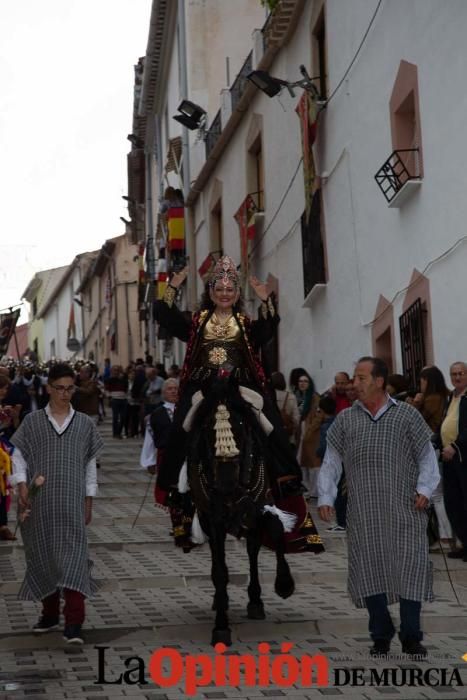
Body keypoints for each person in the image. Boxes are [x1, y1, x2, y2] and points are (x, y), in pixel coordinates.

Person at [154, 257, 322, 555]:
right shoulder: (197, 322)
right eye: (220, 287)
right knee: (183, 428)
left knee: (270, 427)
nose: (225, 292)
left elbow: (268, 328)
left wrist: (265, 299)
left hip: (240, 387)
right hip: (204, 388)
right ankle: (179, 496)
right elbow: (166, 317)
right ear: (211, 290)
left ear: (236, 294)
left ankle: (284, 483)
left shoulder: (244, 324)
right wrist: (172, 289)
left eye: (231, 288)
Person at [318, 356, 440, 658]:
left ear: (379, 381)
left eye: (361, 378)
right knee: (368, 570)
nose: (353, 384)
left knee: (410, 568)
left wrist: (425, 489)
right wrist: (325, 496)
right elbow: (331, 461)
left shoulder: (408, 416)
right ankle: (381, 633)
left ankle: (412, 636)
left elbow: (427, 457)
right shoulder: (346, 420)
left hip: (406, 509)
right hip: (363, 511)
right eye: (354, 379)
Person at [10, 363, 103, 644]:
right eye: (59, 388)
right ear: (49, 388)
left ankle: (74, 620)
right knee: (42, 556)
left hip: (72, 501)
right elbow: (18, 456)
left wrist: (89, 500)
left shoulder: (85, 423)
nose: (65, 394)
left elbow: (90, 466)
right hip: (39, 504)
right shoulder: (32, 421)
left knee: (74, 558)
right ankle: (50, 613)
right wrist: (22, 484)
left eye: (70, 388)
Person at [411, 366, 453, 551]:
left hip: (431, 447)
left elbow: (416, 420)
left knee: (436, 495)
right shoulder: (446, 396)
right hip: (438, 447)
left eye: (422, 380)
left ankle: (445, 536)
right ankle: (445, 535)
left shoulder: (432, 399)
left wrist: (416, 403)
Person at [438, 361, 467, 561]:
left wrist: (455, 446)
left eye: (460, 373)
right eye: (453, 374)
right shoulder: (452, 397)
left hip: (462, 456)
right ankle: (464, 542)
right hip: (448, 458)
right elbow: (445, 423)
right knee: (453, 502)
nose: (456, 377)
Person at [270, 371, 300, 448]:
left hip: (272, 437)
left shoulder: (268, 396)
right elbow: (296, 419)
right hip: (288, 437)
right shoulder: (291, 397)